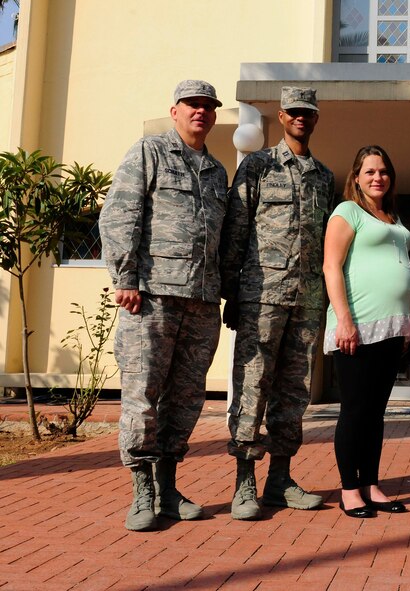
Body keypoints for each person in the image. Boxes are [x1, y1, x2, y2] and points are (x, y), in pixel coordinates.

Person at [100, 80, 227, 531]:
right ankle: (141, 489)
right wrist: (125, 278)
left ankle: (168, 486)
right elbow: (120, 213)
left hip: (201, 301)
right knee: (143, 396)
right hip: (151, 297)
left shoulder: (216, 170)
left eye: (208, 106)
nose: (201, 111)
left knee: (187, 397)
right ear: (174, 110)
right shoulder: (148, 152)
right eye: (193, 104)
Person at [220, 87, 334, 520]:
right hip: (261, 297)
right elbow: (236, 231)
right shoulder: (258, 165)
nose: (301, 118)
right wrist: (231, 292)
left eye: (308, 112)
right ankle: (244, 481)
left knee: (294, 392)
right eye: (294, 113)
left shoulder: (322, 175)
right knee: (253, 386)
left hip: (305, 300)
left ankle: (280, 479)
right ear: (282, 117)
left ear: (315, 117)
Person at [322, 145, 410, 518]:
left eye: (383, 171)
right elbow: (332, 267)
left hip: (393, 328)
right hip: (358, 326)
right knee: (355, 410)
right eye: (369, 171)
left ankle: (371, 484)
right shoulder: (348, 212)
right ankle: (349, 490)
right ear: (356, 177)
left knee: (376, 411)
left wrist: (407, 318)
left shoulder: (392, 216)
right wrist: (344, 319)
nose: (377, 177)